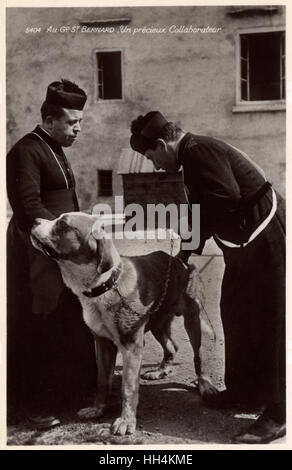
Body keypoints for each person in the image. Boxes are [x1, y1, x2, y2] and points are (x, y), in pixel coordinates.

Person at [129, 111, 286, 444]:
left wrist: (188, 243)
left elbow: (224, 197)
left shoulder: (198, 151)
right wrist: (184, 254)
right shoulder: (191, 157)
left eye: (152, 157)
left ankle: (278, 412)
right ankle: (246, 391)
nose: (156, 166)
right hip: (242, 247)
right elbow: (206, 206)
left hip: (267, 239)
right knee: (235, 311)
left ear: (161, 144)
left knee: (269, 324)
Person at [7, 79, 97, 429]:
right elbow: (29, 207)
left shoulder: (54, 148)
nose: (78, 128)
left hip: (63, 252)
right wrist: (64, 242)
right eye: (72, 122)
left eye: (80, 121)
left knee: (69, 320)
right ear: (48, 120)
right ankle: (35, 405)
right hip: (38, 251)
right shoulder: (25, 151)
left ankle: (72, 394)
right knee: (40, 322)